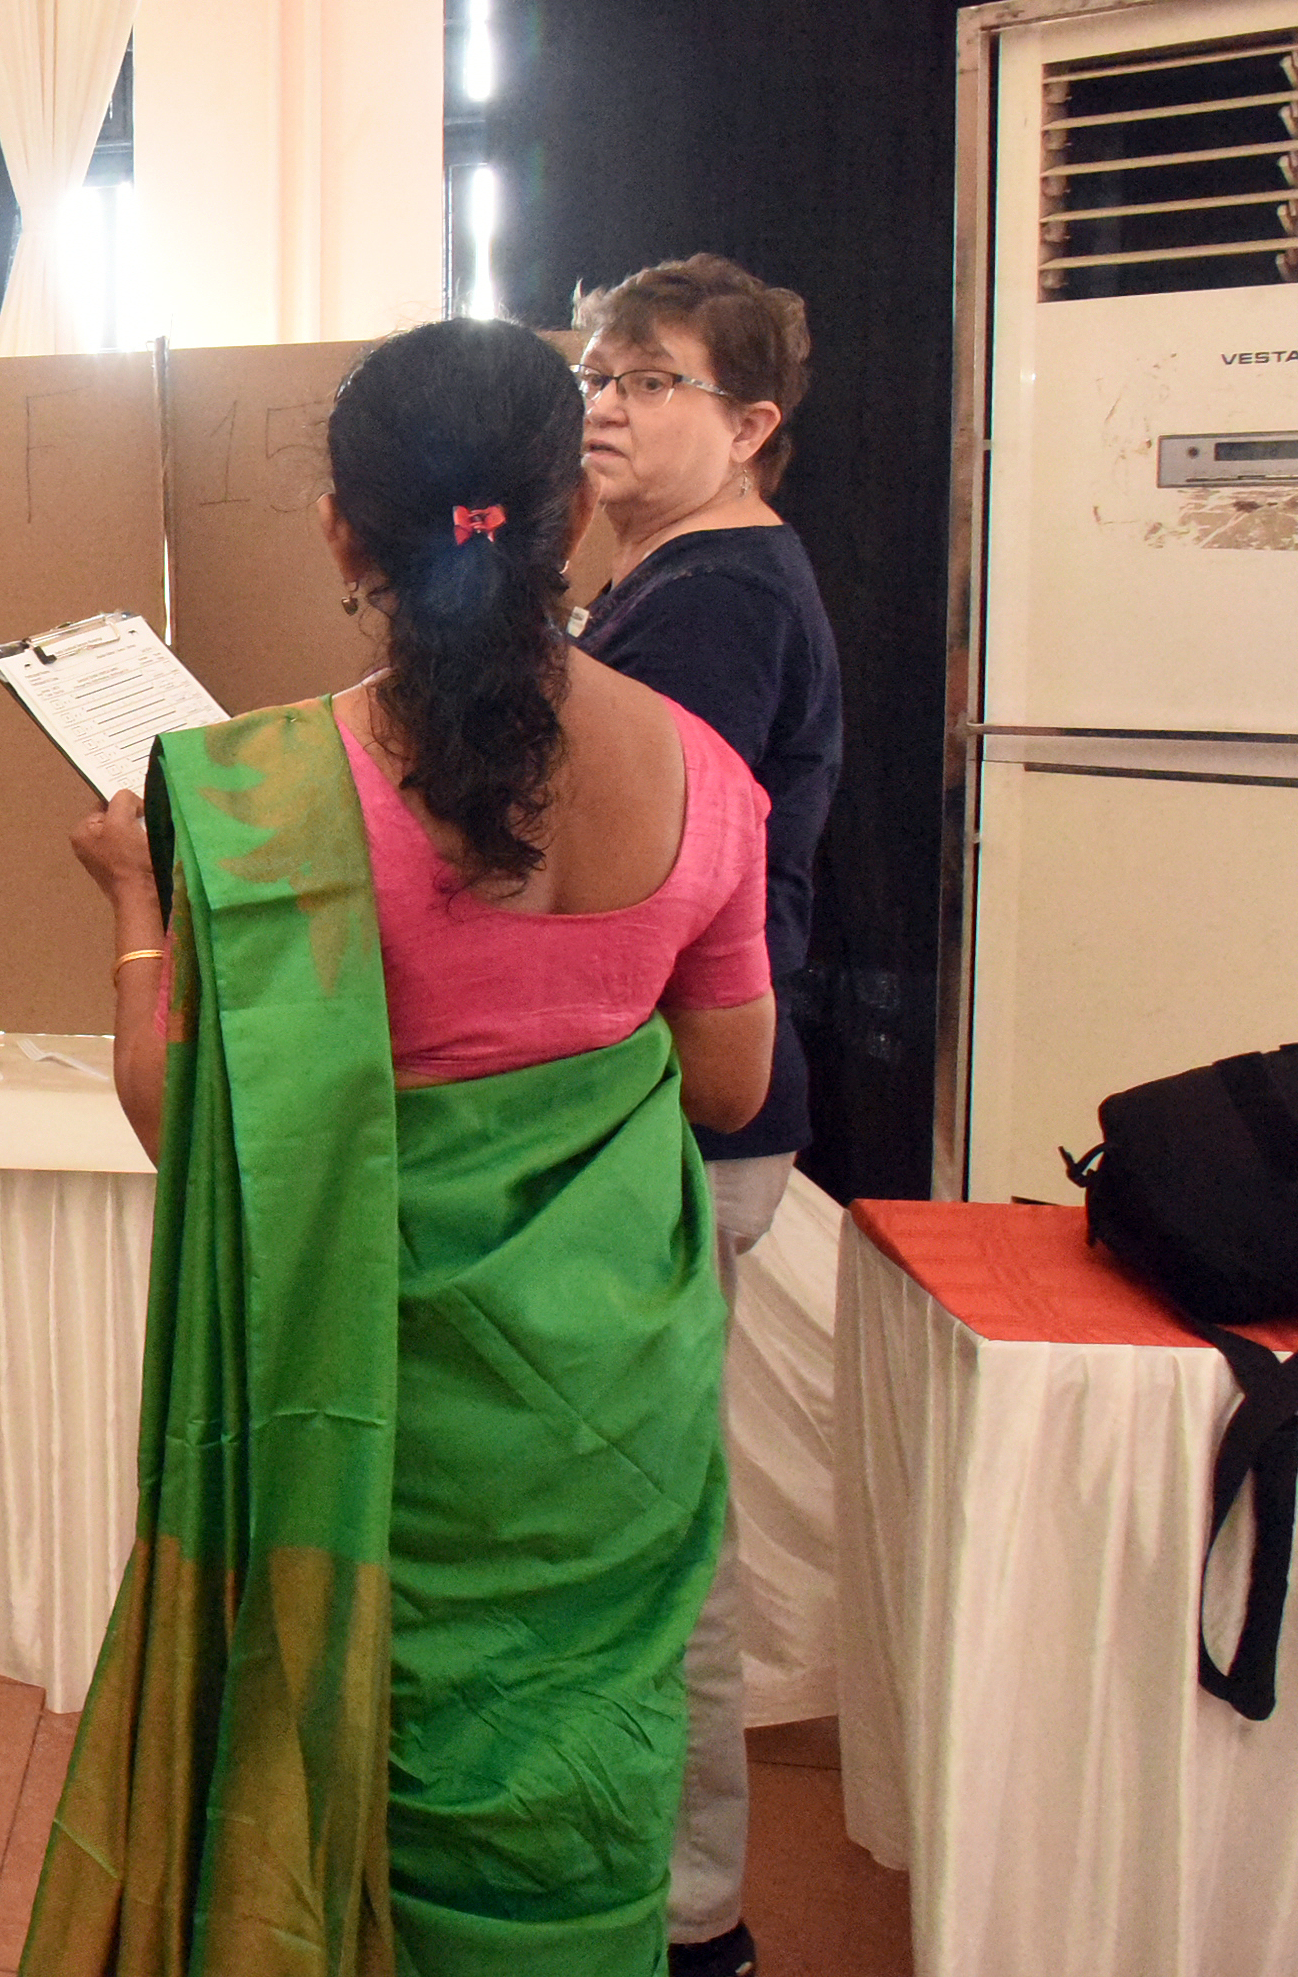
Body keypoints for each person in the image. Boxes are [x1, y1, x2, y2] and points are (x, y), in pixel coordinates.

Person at [24, 319, 775, 1977]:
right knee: (588, 1746)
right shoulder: (708, 778)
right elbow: (729, 1084)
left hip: (373, 1410)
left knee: (379, 1738)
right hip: (609, 1427)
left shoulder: (257, 799)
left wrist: (136, 901)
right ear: (567, 517)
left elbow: (188, 1126)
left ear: (341, 531)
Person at [571, 254, 841, 1977]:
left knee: (664, 1542)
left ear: (750, 423)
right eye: (597, 367)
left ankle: (689, 1925)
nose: (603, 397)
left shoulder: (718, 596)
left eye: (651, 377)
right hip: (674, 1116)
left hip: (690, 1118)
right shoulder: (669, 580)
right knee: (655, 1523)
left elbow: (643, 881)